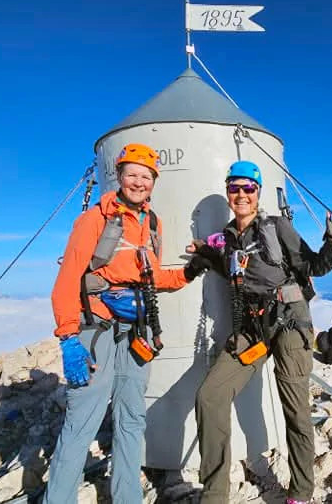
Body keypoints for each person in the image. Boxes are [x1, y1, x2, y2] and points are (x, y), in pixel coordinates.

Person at [44, 143, 211, 504]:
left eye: (146, 176)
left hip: (137, 332)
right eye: (131, 174)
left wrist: (189, 272)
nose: (138, 182)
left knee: (131, 418)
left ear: (154, 182)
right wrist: (68, 337)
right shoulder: (95, 220)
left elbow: (149, 279)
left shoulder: (152, 223)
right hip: (97, 329)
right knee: (81, 422)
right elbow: (68, 279)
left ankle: (127, 498)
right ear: (118, 176)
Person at [188, 160, 332, 504]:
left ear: (258, 193)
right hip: (252, 328)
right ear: (228, 193)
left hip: (290, 324)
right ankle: (214, 495)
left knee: (295, 410)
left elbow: (313, 266)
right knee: (209, 396)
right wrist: (203, 253)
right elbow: (232, 269)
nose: (242, 194)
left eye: (249, 188)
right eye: (235, 188)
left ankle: (301, 493)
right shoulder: (229, 238)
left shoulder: (277, 227)